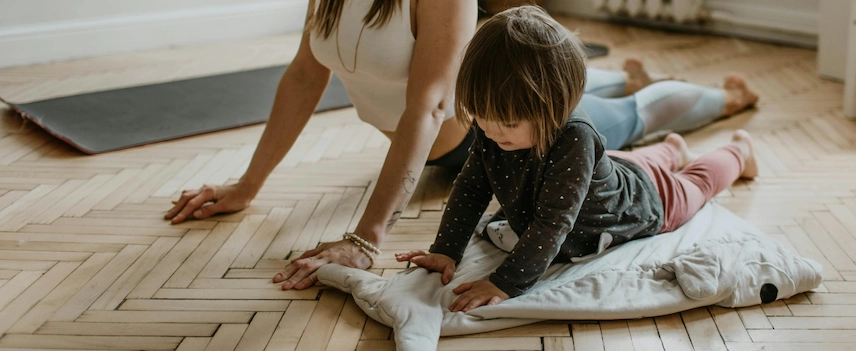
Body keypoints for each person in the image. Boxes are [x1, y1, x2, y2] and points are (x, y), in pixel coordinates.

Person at [163, 0, 758, 291]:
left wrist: (365, 239)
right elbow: (302, 76)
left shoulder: (552, 127)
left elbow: (428, 108)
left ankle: (722, 106)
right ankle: (640, 101)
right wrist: (248, 186)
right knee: (628, 144)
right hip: (504, 122)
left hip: (509, 130)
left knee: (630, 118)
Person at [393, 6, 758, 312]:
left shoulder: (575, 137)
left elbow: (553, 224)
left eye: (506, 123)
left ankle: (739, 151)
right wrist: (446, 250)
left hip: (644, 200)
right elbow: (471, 188)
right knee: (631, 163)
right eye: (480, 117)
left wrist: (504, 283)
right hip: (611, 170)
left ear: (553, 107)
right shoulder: (494, 130)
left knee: (696, 183)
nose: (489, 131)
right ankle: (673, 148)